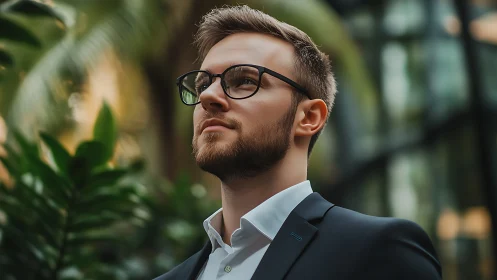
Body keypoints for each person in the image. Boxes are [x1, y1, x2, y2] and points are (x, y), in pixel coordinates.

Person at [154, 5, 442, 280]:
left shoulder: (380, 250)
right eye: (203, 85)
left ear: (308, 117)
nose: (207, 97)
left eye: (243, 80)